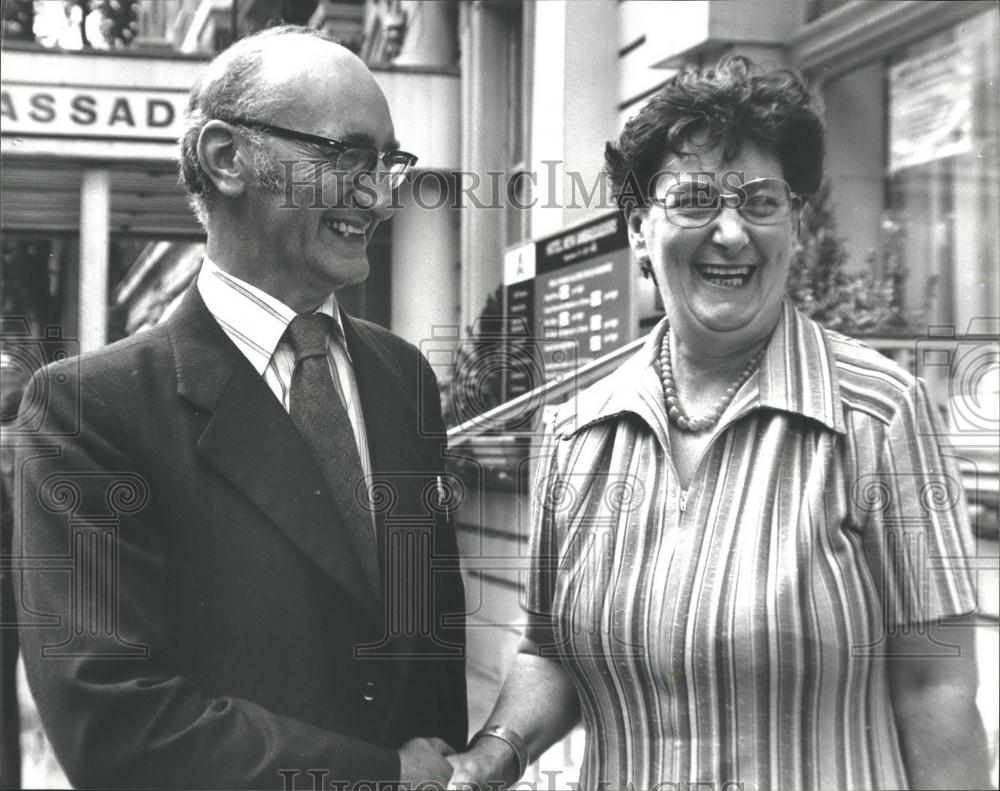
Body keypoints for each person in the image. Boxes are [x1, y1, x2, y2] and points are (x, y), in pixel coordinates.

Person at [448, 57, 990, 791]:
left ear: (794, 225)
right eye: (695, 200)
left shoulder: (878, 412)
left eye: (762, 202)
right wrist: (496, 752)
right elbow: (548, 649)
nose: (731, 232)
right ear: (639, 230)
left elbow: (936, 688)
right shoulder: (575, 425)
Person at [14, 26, 466, 789]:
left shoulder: (403, 376)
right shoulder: (86, 413)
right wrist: (385, 776)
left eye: (388, 162)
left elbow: (429, 646)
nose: (379, 195)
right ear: (228, 158)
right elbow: (114, 720)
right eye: (346, 154)